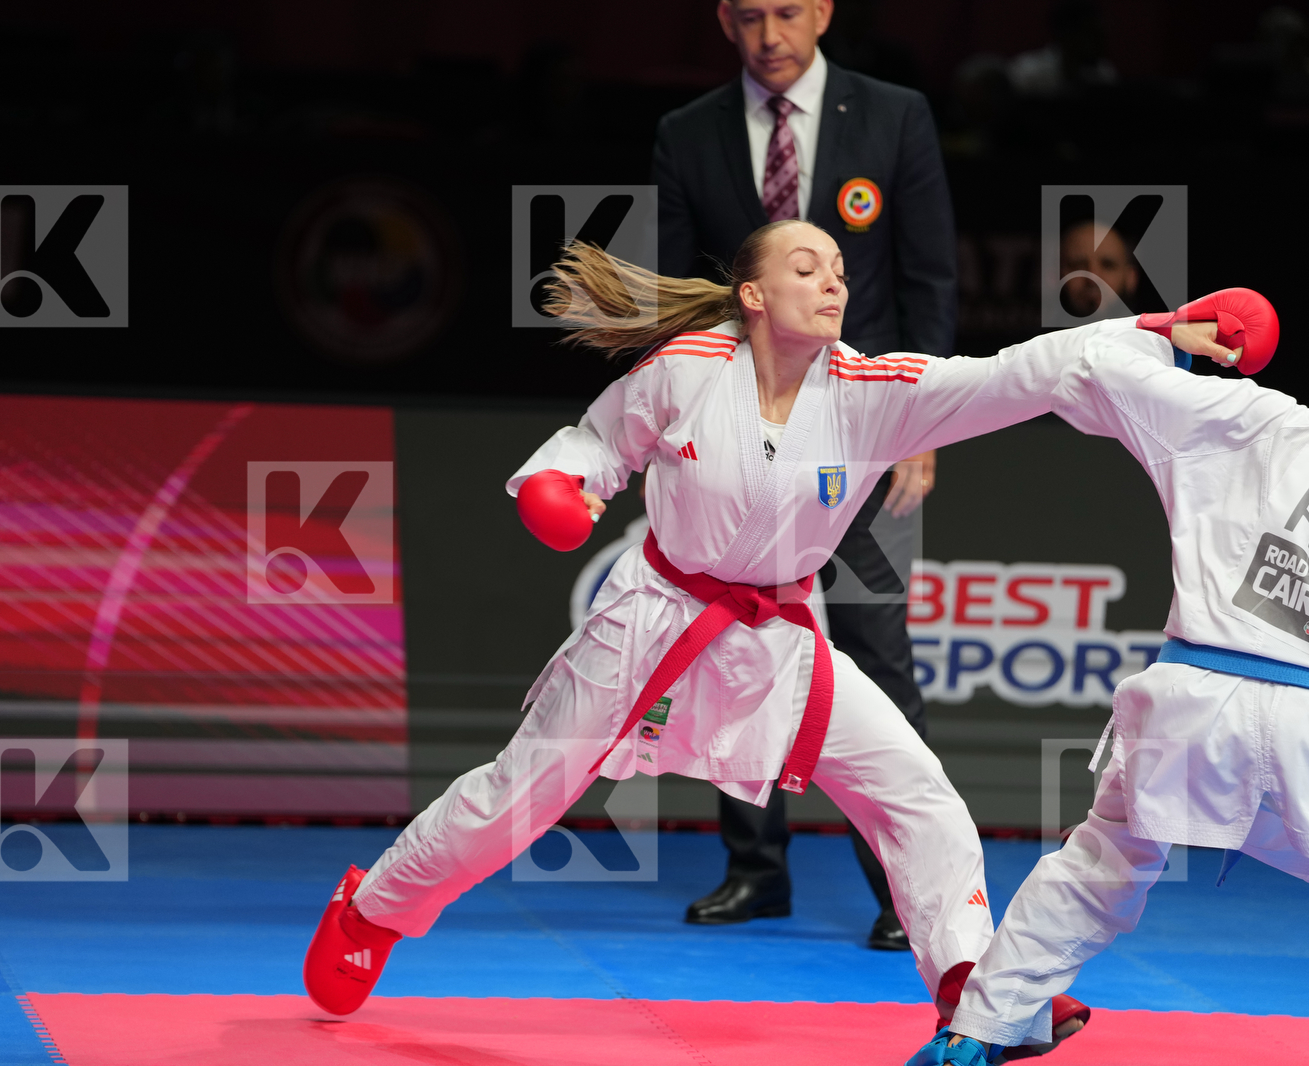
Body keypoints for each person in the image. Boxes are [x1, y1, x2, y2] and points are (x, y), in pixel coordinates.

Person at [300, 218, 1182, 1041]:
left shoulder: (875, 393)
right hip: (651, 623)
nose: (832, 283)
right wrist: (560, 484)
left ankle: (974, 983)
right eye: (806, 268)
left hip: (777, 636)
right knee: (519, 797)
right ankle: (371, 911)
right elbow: (600, 442)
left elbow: (1023, 371)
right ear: (754, 296)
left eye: (840, 271)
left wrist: (1161, 328)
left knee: (916, 791)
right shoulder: (686, 368)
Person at [906, 297, 1309, 1066]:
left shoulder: (1256, 420)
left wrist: (1169, 329)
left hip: (1196, 704)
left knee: (1100, 865)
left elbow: (1091, 367)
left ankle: (974, 1034)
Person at [653, 0, 953, 947]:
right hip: (739, 439)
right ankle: (755, 870)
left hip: (863, 434)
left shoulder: (895, 115)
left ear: (823, 11)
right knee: (734, 647)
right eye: (750, 17)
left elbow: (928, 278)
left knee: (876, 649)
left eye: (788, 12)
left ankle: (902, 890)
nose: (770, 35)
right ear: (724, 21)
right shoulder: (688, 132)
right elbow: (676, 289)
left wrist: (921, 423)